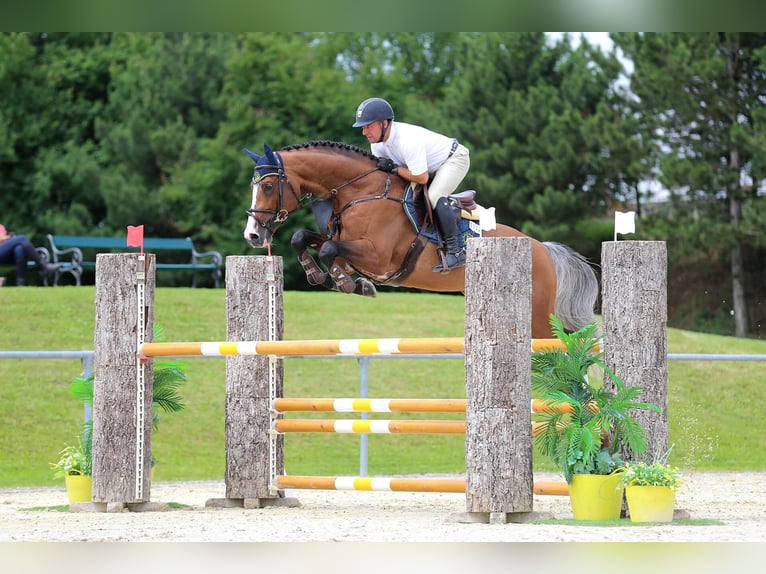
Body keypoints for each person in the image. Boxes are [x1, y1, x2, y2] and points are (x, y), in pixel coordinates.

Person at [352, 97, 470, 272]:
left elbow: (421, 178)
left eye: (368, 126)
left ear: (384, 123)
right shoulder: (378, 145)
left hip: (453, 159)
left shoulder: (407, 140)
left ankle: (456, 250)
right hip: (426, 167)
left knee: (434, 195)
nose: (364, 132)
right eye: (363, 127)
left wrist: (394, 168)